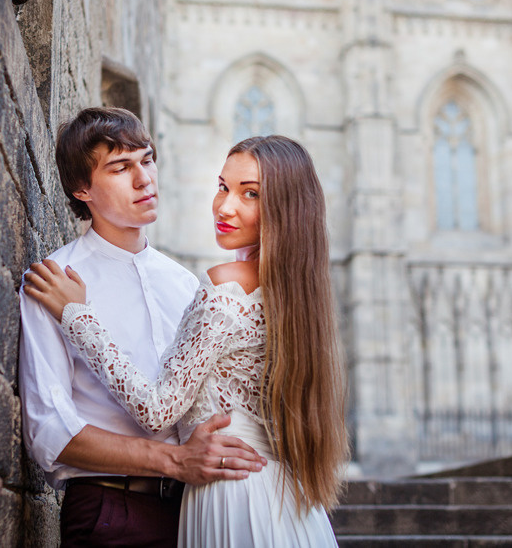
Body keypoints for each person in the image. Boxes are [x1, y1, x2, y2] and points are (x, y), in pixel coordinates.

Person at [25, 135, 349, 547]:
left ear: (285, 209)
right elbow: (48, 426)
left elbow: (158, 410)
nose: (225, 206)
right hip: (279, 499)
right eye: (223, 187)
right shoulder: (297, 295)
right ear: (81, 189)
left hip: (233, 496)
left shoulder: (219, 287)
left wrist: (77, 316)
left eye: (250, 194)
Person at [18, 107, 266, 548]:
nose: (144, 179)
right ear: (82, 189)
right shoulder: (57, 281)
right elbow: (50, 431)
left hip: (202, 511)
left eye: (147, 160)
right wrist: (174, 461)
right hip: (115, 511)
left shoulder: (189, 284)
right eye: (120, 167)